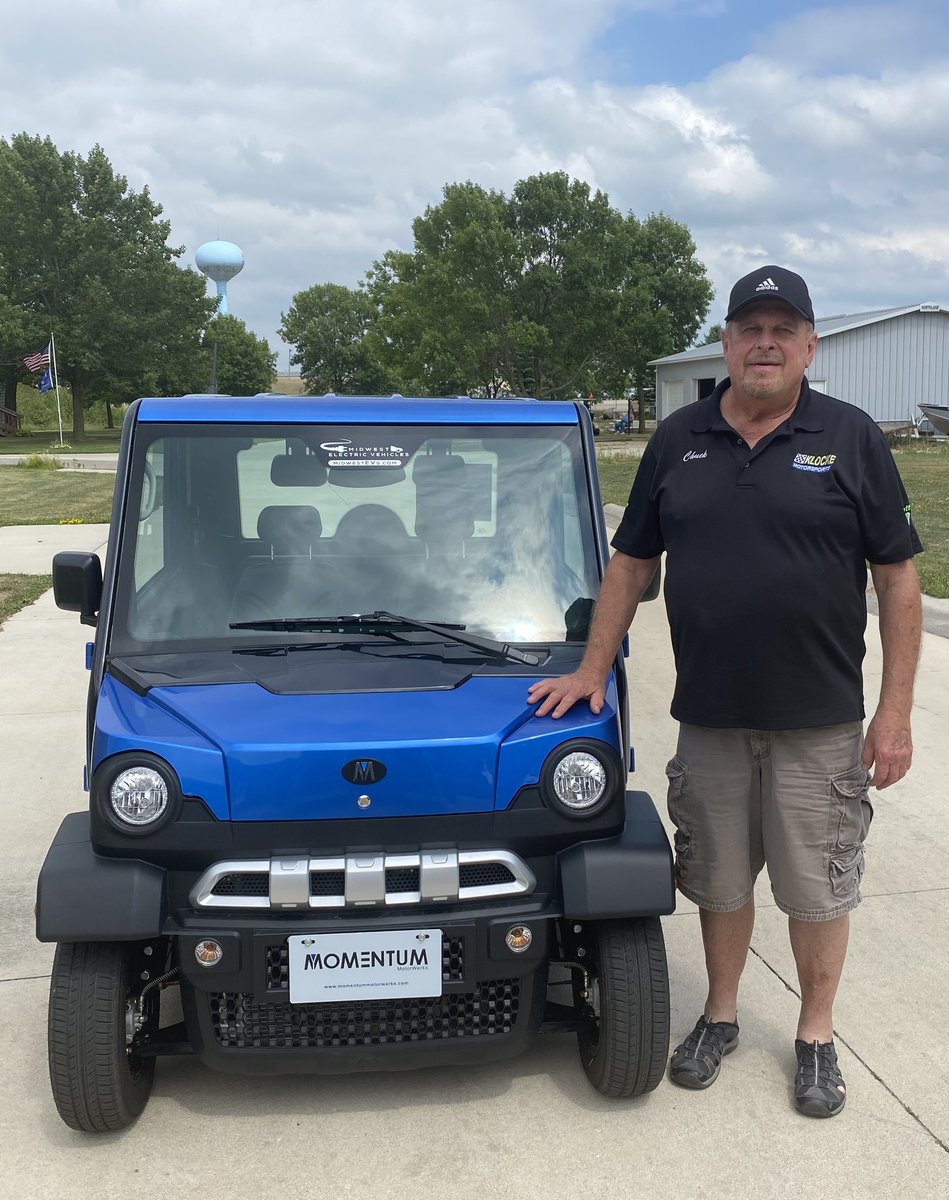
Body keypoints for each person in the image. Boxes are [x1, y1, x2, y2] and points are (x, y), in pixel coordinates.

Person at [528, 265, 923, 1118]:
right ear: (727, 343)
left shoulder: (850, 438)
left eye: (783, 329)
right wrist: (592, 668)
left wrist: (892, 715)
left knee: (817, 889)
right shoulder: (679, 439)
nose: (766, 343)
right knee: (717, 881)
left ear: (810, 345)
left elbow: (896, 580)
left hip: (817, 722)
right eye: (750, 328)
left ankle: (816, 1036)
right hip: (707, 717)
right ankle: (719, 1014)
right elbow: (631, 563)